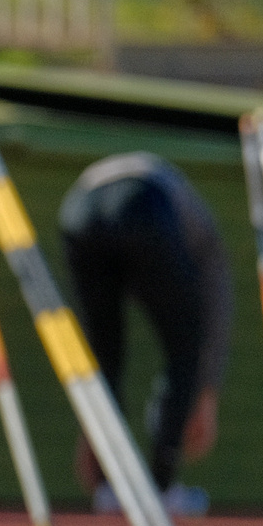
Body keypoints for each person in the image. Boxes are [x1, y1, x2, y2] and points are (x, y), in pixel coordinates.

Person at [58, 153, 230, 505]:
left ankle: (111, 487)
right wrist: (207, 393)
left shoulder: (187, 220)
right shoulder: (201, 239)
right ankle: (161, 488)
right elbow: (214, 306)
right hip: (142, 206)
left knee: (102, 354)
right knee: (185, 347)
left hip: (76, 211)